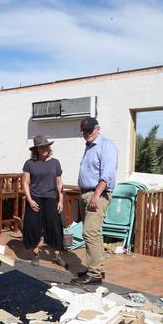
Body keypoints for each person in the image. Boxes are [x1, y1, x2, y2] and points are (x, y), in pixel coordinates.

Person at [72, 117, 118, 285]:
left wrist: (96, 194)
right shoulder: (89, 146)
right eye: (84, 131)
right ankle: (96, 269)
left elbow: (108, 173)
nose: (86, 134)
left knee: (90, 232)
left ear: (98, 128)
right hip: (87, 193)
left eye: (89, 130)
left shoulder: (107, 146)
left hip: (97, 194)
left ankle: (95, 274)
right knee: (93, 234)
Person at [21, 135, 66, 268]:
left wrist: (61, 200)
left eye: (46, 146)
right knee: (34, 225)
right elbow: (25, 183)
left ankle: (57, 254)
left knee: (54, 226)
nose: (45, 149)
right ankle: (35, 253)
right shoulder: (29, 163)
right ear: (36, 150)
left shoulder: (55, 162)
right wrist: (29, 200)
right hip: (35, 198)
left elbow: (59, 183)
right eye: (41, 147)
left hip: (51, 198)